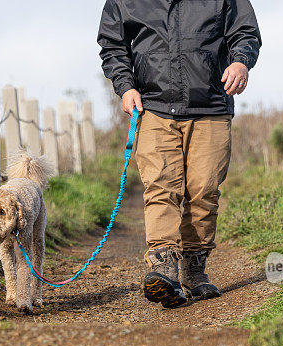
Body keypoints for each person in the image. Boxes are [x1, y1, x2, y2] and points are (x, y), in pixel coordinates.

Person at [98, 0, 262, 308]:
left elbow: (245, 32)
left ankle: (193, 269)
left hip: (211, 106)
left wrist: (241, 62)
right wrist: (125, 86)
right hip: (153, 106)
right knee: (161, 186)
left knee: (204, 190)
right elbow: (113, 45)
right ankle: (164, 269)